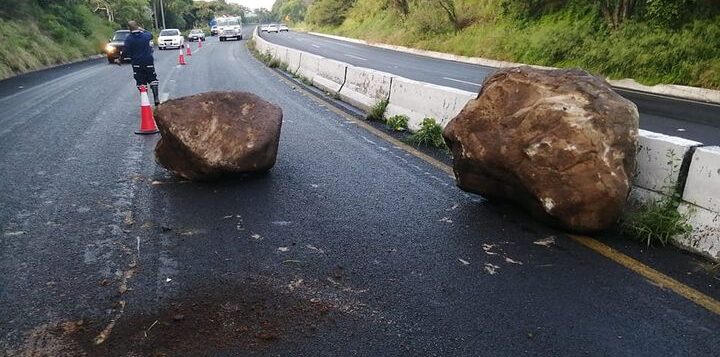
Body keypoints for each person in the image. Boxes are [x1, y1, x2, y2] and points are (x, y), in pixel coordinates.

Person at [123, 21, 160, 106]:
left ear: (129, 28)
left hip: (137, 62)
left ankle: (145, 100)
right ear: (138, 26)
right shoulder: (145, 35)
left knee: (140, 81)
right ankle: (156, 98)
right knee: (152, 78)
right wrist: (143, 30)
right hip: (148, 60)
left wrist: (120, 60)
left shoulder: (129, 38)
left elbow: (125, 51)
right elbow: (150, 35)